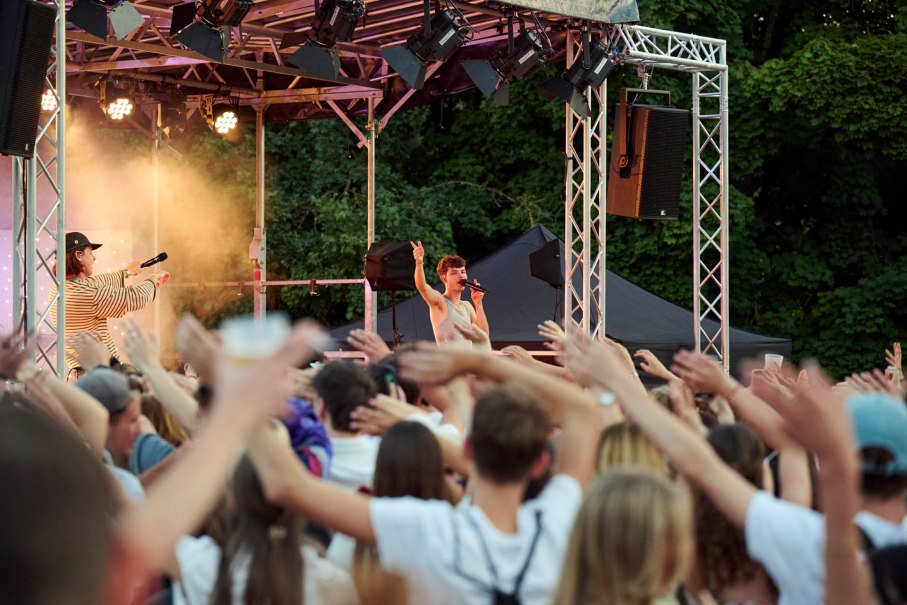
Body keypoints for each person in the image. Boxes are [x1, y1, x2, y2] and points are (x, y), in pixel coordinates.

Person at [50, 231, 169, 372]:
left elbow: (96, 282)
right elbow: (135, 297)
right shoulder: (88, 294)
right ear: (78, 255)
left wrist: (128, 272)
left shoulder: (59, 287)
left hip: (86, 372)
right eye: (90, 254)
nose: (94, 258)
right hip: (100, 373)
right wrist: (154, 280)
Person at [410, 241, 488, 345]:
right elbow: (422, 286)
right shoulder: (439, 301)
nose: (461, 276)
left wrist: (478, 303)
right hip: (448, 361)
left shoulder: (467, 306)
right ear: (443, 278)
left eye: (463, 272)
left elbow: (483, 337)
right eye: (454, 273)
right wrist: (419, 263)